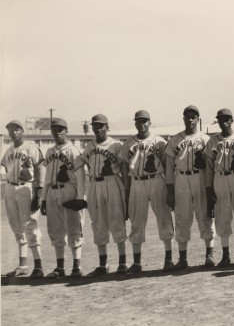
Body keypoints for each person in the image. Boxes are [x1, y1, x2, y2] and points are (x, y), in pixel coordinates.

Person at [118, 110, 175, 273]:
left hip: (157, 180)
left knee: (164, 217)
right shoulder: (128, 143)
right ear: (135, 123)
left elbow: (167, 166)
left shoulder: (160, 142)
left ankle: (168, 259)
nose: (141, 124)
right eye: (138, 121)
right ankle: (136, 262)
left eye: (144, 121)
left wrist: (169, 187)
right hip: (136, 182)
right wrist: (127, 191)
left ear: (150, 122)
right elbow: (123, 167)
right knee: (136, 220)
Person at [164, 105, 215, 269]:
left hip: (200, 177)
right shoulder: (174, 140)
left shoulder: (207, 140)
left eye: (194, 116)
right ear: (184, 118)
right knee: (181, 218)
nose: (190, 119)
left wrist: (210, 189)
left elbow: (211, 167)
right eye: (187, 116)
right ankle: (183, 258)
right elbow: (169, 168)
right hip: (181, 179)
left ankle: (209, 255)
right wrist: (170, 191)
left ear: (198, 119)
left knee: (204, 216)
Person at [204, 108, 234, 266]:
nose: (223, 122)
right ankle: (225, 255)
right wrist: (209, 188)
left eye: (227, 119)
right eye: (220, 119)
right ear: (217, 121)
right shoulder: (212, 141)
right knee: (222, 216)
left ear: (232, 120)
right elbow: (209, 167)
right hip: (219, 178)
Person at [82, 114, 129, 277]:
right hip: (95, 184)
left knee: (117, 220)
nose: (98, 129)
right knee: (98, 223)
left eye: (101, 125)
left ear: (107, 127)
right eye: (95, 126)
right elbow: (86, 166)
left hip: (113, 182)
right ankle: (103, 264)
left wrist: (125, 188)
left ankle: (122, 263)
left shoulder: (116, 145)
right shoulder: (88, 147)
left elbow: (123, 169)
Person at [41, 118, 87, 278]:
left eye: (60, 129)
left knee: (74, 228)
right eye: (54, 129)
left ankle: (77, 266)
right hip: (52, 192)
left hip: (69, 190)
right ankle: (60, 267)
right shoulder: (49, 152)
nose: (57, 132)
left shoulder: (73, 150)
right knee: (55, 230)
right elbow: (47, 178)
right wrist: (43, 199)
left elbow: (81, 176)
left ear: (66, 131)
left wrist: (81, 198)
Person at [2, 120, 45, 278]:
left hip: (26, 188)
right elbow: (7, 168)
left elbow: (40, 168)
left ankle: (38, 266)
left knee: (30, 225)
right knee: (16, 226)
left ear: (22, 131)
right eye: (11, 130)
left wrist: (39, 192)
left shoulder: (32, 147)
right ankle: (23, 265)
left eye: (17, 129)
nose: (14, 132)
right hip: (10, 188)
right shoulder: (8, 151)